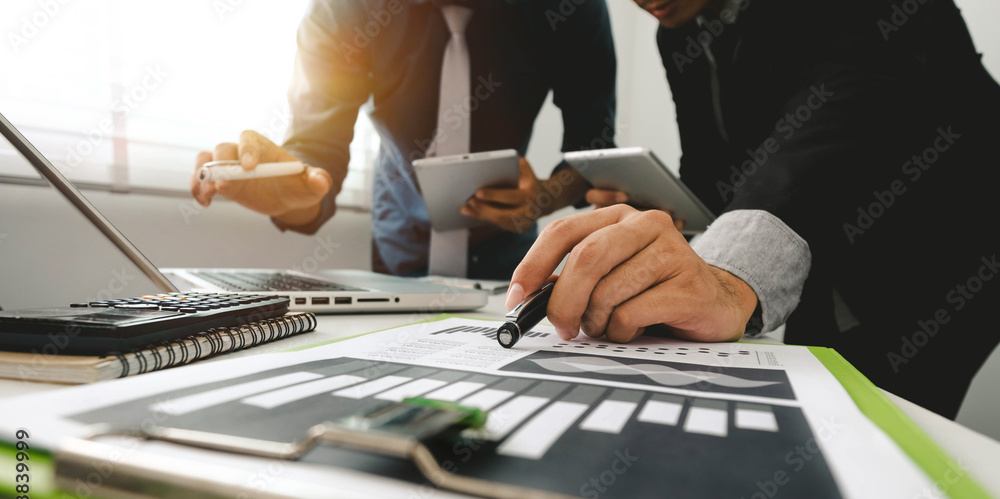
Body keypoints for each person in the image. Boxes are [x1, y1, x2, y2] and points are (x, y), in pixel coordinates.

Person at [508, 0, 1000, 418]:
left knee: (884, 436)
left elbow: (844, 111)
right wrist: (656, 207)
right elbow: (713, 168)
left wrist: (725, 273)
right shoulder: (679, 34)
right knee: (819, 413)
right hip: (821, 262)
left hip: (944, 262)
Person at [190, 0, 617, 280]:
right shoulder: (345, 9)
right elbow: (316, 149)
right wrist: (294, 199)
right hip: (398, 250)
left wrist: (545, 197)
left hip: (511, 258)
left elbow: (592, 150)